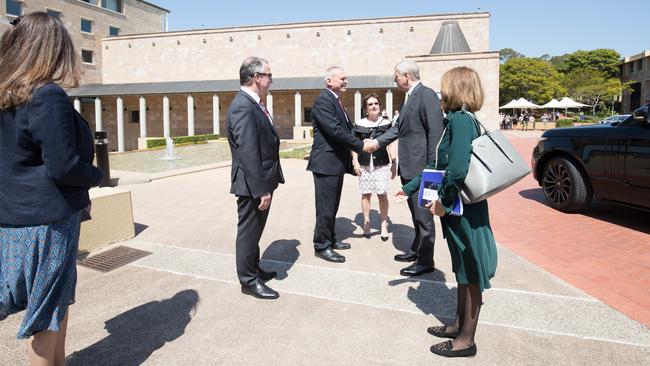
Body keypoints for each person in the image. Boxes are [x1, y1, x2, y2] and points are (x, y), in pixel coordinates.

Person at [0, 12, 103, 365]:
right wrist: (95, 176)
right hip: (48, 221)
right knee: (46, 318)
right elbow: (63, 166)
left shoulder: (7, 94)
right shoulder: (47, 95)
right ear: (53, 49)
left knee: (52, 308)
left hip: (13, 220)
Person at [398, 66, 498, 358]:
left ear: (456, 88)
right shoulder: (455, 119)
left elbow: (455, 170)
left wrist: (442, 200)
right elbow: (438, 168)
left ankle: (466, 341)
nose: (441, 92)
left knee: (471, 269)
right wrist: (410, 186)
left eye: (444, 86)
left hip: (463, 208)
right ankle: (457, 325)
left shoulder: (462, 121)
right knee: (461, 269)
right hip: (458, 207)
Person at [366, 60, 444, 276]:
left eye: (396, 75)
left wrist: (431, 170)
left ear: (407, 75)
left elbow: (435, 135)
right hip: (409, 169)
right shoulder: (410, 97)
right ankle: (417, 251)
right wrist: (376, 143)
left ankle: (426, 261)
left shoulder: (426, 95)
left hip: (422, 170)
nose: (394, 79)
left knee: (424, 218)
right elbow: (398, 129)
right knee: (416, 215)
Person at [227, 56, 285, 299]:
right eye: (268, 75)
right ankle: (248, 281)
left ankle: (254, 268)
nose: (271, 80)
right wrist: (261, 189)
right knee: (249, 232)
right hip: (252, 184)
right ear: (255, 78)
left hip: (261, 180)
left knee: (255, 231)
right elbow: (248, 151)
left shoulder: (254, 103)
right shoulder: (243, 105)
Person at [307, 66, 375, 263]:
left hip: (334, 163)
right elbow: (335, 131)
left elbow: (347, 129)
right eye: (342, 78)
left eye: (346, 78)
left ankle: (331, 239)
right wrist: (362, 145)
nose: (346, 81)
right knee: (325, 208)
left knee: (332, 206)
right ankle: (321, 246)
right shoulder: (323, 101)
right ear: (329, 81)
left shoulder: (335, 101)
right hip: (325, 164)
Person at [351, 93, 397, 241]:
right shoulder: (359, 124)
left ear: (380, 106)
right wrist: (355, 161)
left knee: (382, 194)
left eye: (376, 103)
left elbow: (390, 143)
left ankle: (384, 224)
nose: (373, 106)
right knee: (366, 194)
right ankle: (366, 222)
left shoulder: (386, 123)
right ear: (365, 108)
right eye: (370, 104)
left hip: (381, 164)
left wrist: (394, 162)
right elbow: (353, 145)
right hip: (364, 164)